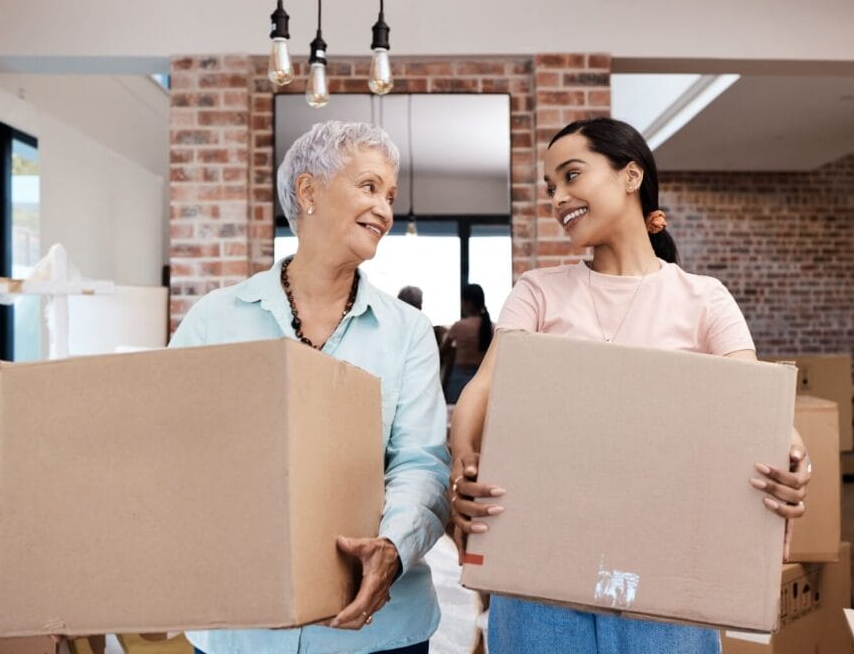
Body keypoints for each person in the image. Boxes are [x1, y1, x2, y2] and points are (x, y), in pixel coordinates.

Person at [448, 118, 812, 654]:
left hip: (667, 584)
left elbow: (755, 407)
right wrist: (462, 461)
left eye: (572, 175)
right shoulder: (538, 291)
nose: (558, 197)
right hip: (541, 581)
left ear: (631, 175)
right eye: (551, 187)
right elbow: (483, 387)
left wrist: (792, 458)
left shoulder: (703, 298)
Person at [171, 121, 450, 654]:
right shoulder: (215, 319)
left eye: (390, 196)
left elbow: (422, 463)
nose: (386, 211)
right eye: (369, 187)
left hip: (378, 630)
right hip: (242, 626)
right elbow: (174, 451)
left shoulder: (407, 330)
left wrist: (392, 546)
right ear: (308, 191)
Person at [441, 284, 493, 403]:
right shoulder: (492, 327)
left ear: (468, 303)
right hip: (486, 377)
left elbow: (443, 350)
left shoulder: (460, 326)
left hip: (461, 377)